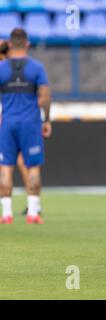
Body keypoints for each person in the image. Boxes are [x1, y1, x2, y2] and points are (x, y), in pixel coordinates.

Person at [0, 29, 51, 225]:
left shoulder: (2, 68)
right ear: (27, 44)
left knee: (5, 168)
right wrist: (46, 120)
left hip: (8, 123)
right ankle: (33, 212)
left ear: (10, 45)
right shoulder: (37, 68)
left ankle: (6, 214)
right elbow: (45, 96)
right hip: (30, 123)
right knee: (33, 168)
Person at [0, 40, 33, 218]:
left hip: (8, 120)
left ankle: (8, 209)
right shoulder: (20, 68)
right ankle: (33, 204)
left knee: (7, 165)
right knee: (22, 162)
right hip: (24, 119)